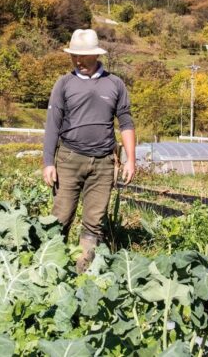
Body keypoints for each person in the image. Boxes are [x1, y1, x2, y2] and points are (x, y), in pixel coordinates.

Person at [43, 28, 136, 273]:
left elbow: (125, 122)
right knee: (60, 219)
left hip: (104, 163)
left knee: (94, 224)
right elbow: (52, 124)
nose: (78, 60)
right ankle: (51, 271)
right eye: (74, 56)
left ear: (96, 55)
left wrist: (129, 161)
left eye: (83, 56)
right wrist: (48, 162)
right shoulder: (64, 84)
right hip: (69, 160)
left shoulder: (114, 83)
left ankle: (83, 276)